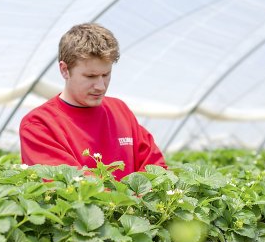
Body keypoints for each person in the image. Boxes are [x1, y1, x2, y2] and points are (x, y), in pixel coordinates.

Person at [19, 23, 166, 180]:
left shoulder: (120, 110)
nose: (100, 86)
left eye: (106, 75)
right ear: (64, 70)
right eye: (90, 76)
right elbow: (69, 186)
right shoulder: (39, 124)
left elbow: (157, 170)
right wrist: (131, 201)